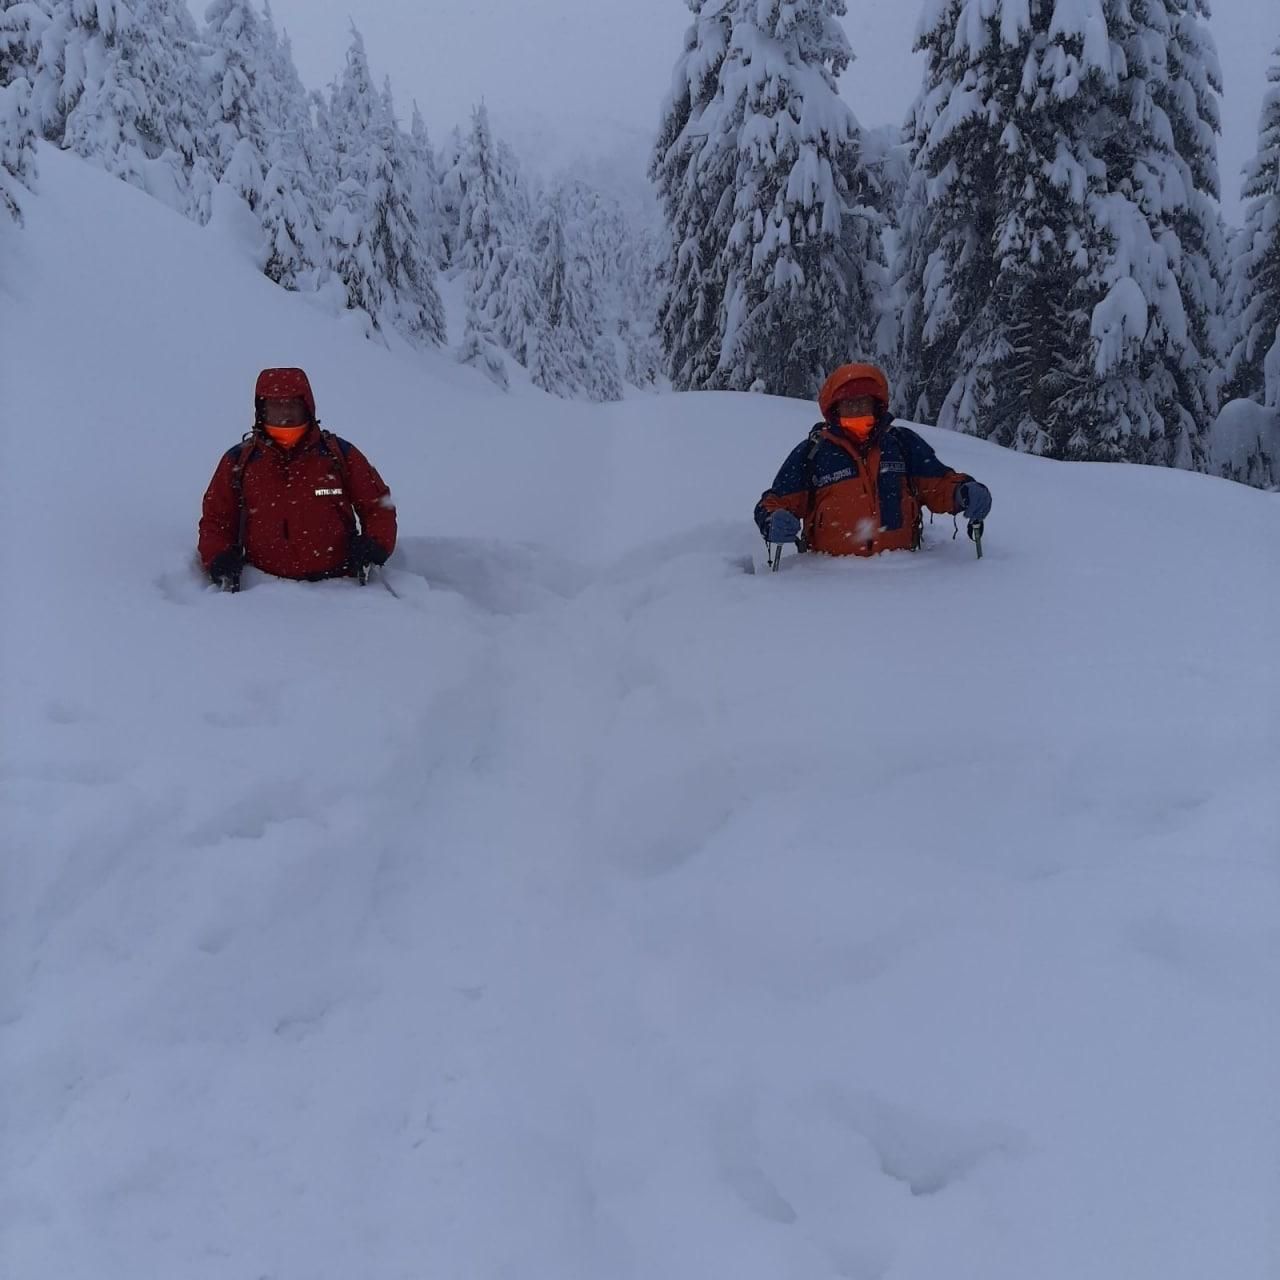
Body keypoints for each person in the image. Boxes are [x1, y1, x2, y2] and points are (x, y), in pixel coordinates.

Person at [754, 363, 992, 557]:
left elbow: (938, 484)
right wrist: (772, 520)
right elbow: (774, 502)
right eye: (849, 404)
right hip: (828, 581)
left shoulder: (902, 445)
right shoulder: (813, 453)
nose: (857, 409)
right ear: (835, 409)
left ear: (876, 405)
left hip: (906, 578)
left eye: (863, 402)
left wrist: (964, 492)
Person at [198, 368, 397, 592]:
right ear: (262, 410)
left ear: (307, 407)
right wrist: (218, 556)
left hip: (342, 590)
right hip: (261, 592)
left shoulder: (339, 454)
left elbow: (378, 504)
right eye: (276, 405)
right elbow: (216, 518)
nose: (285, 413)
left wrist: (376, 543)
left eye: (293, 404)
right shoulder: (239, 461)